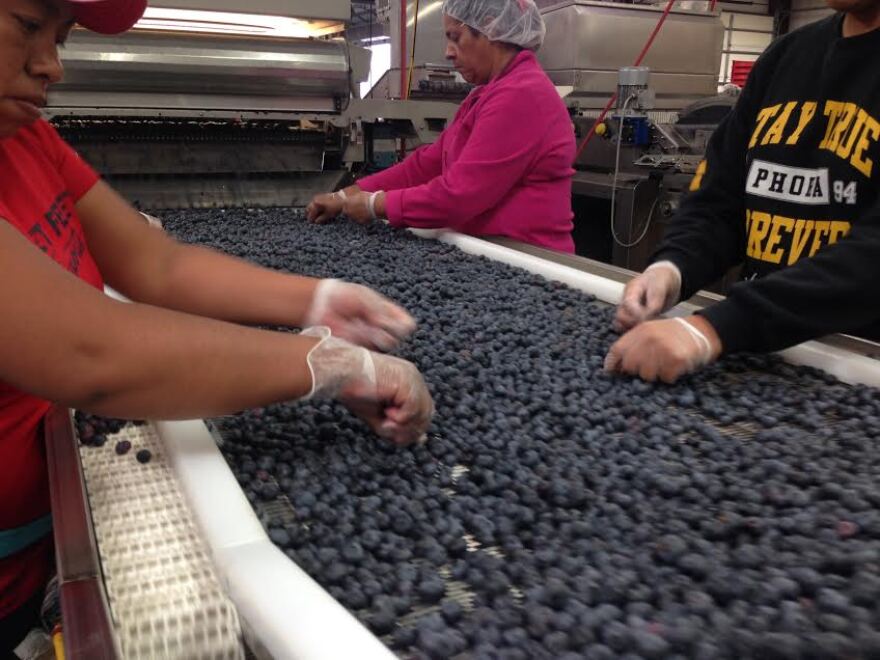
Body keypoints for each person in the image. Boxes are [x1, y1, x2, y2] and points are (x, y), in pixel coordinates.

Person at [0, 0, 434, 652]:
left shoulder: (26, 139)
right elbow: (93, 353)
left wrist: (315, 301)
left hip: (52, 536)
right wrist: (334, 366)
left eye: (62, 37)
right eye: (29, 26)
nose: (51, 65)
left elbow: (157, 263)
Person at [605, 0, 880, 383]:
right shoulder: (786, 57)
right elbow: (721, 196)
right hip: (762, 354)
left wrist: (717, 327)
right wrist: (674, 267)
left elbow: (871, 259)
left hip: (861, 368)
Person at [306, 0, 577, 253]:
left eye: (455, 38)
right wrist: (347, 194)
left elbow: (459, 196)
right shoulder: (485, 94)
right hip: (489, 250)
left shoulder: (521, 94)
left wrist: (375, 204)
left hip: (530, 260)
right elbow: (427, 164)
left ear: (492, 28)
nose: (448, 52)